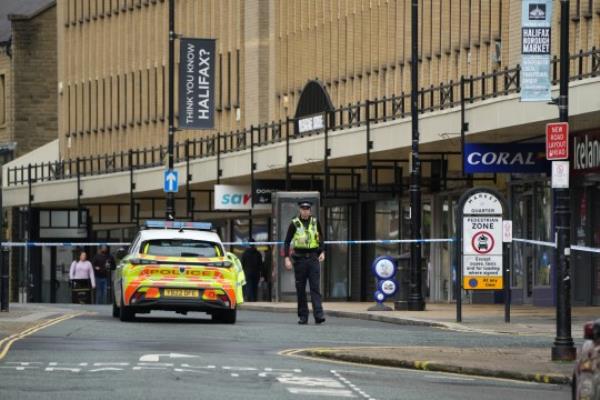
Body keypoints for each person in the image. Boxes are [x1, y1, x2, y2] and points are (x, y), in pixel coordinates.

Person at [284, 200, 326, 325]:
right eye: (303, 209)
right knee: (300, 289)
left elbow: (321, 238)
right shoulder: (294, 223)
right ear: (300, 210)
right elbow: (287, 242)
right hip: (300, 259)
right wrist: (286, 258)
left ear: (310, 210)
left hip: (313, 258)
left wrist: (322, 251)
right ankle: (303, 316)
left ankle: (319, 315)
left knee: (315, 288)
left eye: (307, 209)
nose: (305, 211)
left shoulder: (315, 222)